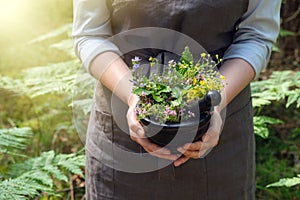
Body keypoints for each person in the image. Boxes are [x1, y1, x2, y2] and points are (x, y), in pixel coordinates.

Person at [72, 0, 281, 199]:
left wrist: (213, 105)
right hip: (120, 133)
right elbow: (91, 35)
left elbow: (256, 36)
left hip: (221, 133)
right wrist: (134, 96)